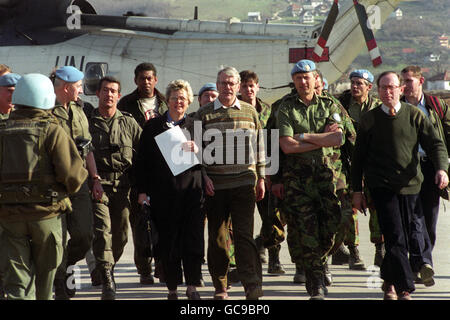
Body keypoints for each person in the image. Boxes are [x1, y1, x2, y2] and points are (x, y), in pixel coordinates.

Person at [352, 71, 449, 300]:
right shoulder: (370, 120)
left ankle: (388, 280)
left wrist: (441, 169)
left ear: (401, 90)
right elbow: (358, 159)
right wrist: (357, 190)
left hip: (412, 185)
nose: (388, 92)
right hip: (382, 186)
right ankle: (405, 287)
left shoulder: (415, 115)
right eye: (384, 88)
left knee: (412, 233)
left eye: (393, 87)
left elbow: (435, 144)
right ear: (377, 90)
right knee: (395, 235)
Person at [0, 73, 88, 299]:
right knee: (46, 282)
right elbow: (73, 176)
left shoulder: (2, 131)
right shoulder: (52, 130)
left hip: (9, 218)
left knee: (17, 283)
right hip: (47, 217)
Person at [194, 66, 265, 300]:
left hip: (244, 184)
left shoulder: (250, 111)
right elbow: (195, 151)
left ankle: (251, 285)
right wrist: (204, 177)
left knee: (244, 237)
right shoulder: (203, 114)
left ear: (238, 85)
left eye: (231, 83)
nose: (227, 87)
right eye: (222, 83)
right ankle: (220, 286)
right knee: (217, 239)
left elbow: (260, 146)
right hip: (216, 187)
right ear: (217, 85)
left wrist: (262, 177)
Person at [277, 59, 345, 300]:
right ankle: (315, 282)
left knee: (332, 228)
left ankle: (317, 261)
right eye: (298, 78)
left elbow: (337, 139)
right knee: (307, 231)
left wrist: (303, 136)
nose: (303, 81)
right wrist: (320, 139)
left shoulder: (329, 105)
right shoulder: (285, 108)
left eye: (307, 77)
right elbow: (286, 146)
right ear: (294, 81)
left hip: (326, 179)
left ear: (316, 79)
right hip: (298, 181)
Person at [135, 79, 206, 300]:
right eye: (174, 98)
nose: (178, 102)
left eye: (183, 98)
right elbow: (142, 162)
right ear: (167, 100)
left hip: (193, 192)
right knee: (169, 240)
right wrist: (142, 192)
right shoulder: (153, 127)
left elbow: (211, 158)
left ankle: (192, 286)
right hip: (164, 194)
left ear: (189, 102)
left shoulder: (196, 125)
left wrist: (199, 149)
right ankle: (172, 287)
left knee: (193, 239)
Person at [88, 76, 142, 300]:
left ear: (118, 96)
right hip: (97, 184)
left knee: (120, 236)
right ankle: (108, 280)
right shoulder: (87, 122)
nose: (109, 95)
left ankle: (106, 267)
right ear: (98, 94)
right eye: (105, 90)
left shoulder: (128, 123)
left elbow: (144, 153)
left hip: (123, 186)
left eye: (113, 91)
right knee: (102, 232)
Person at [50, 66, 101, 299]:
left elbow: (87, 147)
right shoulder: (47, 111)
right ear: (68, 88)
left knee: (84, 235)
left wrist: (95, 177)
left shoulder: (80, 111)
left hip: (79, 182)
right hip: (55, 183)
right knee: (58, 237)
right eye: (79, 87)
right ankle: (60, 281)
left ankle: (66, 263)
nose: (81, 91)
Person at [117, 62, 168, 284]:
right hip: (138, 169)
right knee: (141, 223)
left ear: (155, 80)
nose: (146, 82)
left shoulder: (166, 103)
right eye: (142, 78)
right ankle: (145, 269)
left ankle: (163, 266)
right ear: (136, 80)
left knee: (164, 220)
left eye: (150, 78)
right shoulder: (126, 104)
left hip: (165, 170)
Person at [400, 65, 450, 286]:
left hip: (431, 167)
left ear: (421, 81)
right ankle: (421, 263)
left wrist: (445, 168)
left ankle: (420, 262)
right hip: (407, 168)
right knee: (413, 218)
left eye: (409, 81)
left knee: (429, 219)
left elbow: (448, 135)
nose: (405, 86)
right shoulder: (397, 108)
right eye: (403, 81)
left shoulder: (436, 106)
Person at [335, 69, 384, 269]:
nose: (355, 86)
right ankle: (353, 251)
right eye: (353, 82)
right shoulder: (341, 106)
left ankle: (380, 249)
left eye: (359, 83)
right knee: (349, 209)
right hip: (348, 165)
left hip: (374, 166)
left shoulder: (379, 108)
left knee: (377, 208)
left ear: (369, 87)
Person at [238, 69, 285, 275]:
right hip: (240, 173)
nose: (249, 89)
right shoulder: (234, 109)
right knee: (241, 221)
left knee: (271, 217)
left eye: (252, 85)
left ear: (258, 87)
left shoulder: (268, 111)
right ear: (239, 88)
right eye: (245, 85)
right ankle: (241, 262)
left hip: (265, 173)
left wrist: (270, 176)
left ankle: (274, 258)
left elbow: (273, 145)